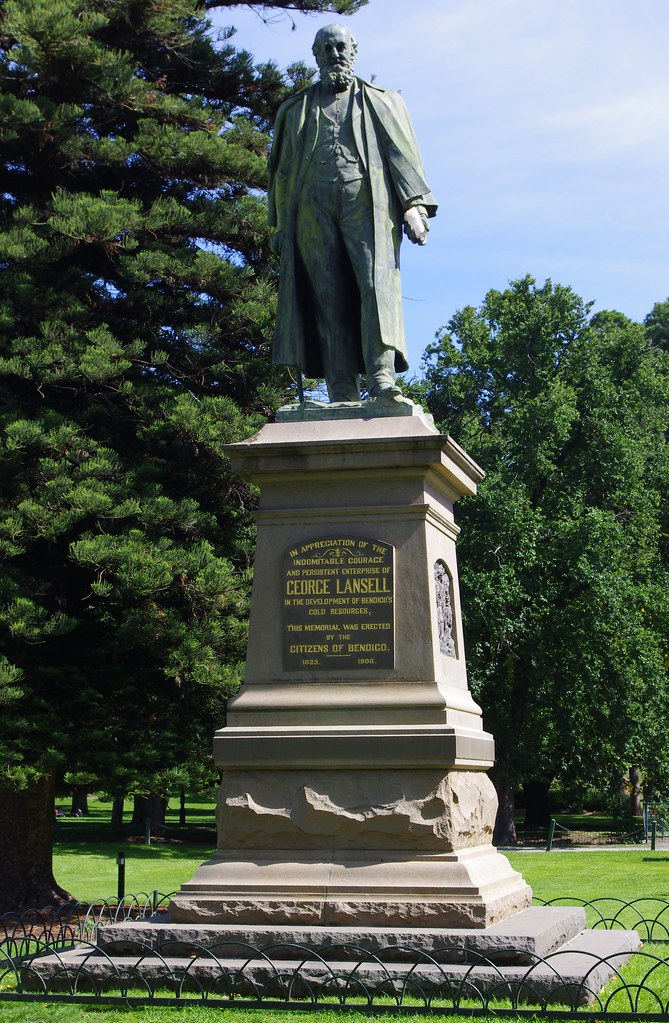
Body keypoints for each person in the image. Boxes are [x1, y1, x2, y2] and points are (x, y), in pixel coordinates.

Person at [268, 24, 437, 403]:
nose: (334, 53)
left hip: (367, 203)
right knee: (327, 296)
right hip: (311, 206)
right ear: (316, 55)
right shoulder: (294, 110)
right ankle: (340, 388)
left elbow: (402, 155)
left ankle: (381, 379)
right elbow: (280, 172)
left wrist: (413, 205)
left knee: (375, 288)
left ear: (353, 51)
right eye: (326, 48)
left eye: (340, 46)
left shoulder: (381, 101)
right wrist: (280, 224)